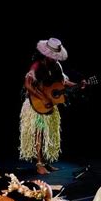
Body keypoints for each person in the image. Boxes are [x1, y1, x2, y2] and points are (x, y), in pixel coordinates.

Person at [19, 37, 85, 175]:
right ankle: (38, 164)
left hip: (49, 104)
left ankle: (45, 162)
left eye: (56, 57)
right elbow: (27, 85)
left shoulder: (57, 66)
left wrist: (78, 84)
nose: (54, 59)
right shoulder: (36, 66)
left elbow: (63, 82)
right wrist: (42, 97)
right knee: (39, 133)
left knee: (48, 133)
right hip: (36, 104)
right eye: (52, 56)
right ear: (45, 54)